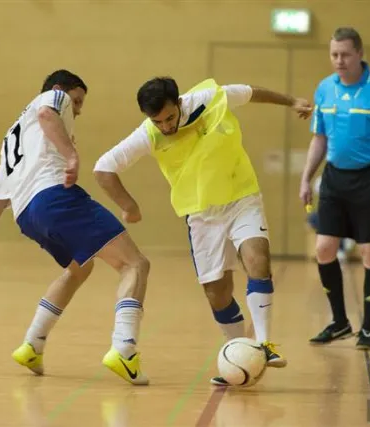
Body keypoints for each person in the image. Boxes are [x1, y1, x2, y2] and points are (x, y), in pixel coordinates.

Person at [93, 77, 312, 385]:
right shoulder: (149, 134)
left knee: (258, 260)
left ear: (179, 103)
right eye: (157, 121)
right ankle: (240, 351)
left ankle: (264, 343)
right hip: (201, 215)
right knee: (217, 294)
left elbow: (251, 93)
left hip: (241, 197)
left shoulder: (211, 99)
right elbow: (103, 168)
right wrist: (128, 205)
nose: (166, 126)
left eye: (169, 118)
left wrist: (292, 101)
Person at [0, 70, 151, 386]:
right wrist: (72, 156)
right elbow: (47, 113)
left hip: (27, 216)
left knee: (80, 269)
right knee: (135, 264)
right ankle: (124, 349)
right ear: (59, 89)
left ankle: (33, 344)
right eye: (77, 101)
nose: (78, 110)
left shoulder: (12, 140)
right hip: (54, 197)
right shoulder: (51, 98)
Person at [299, 27, 370, 350]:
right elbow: (319, 138)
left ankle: (367, 329)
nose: (339, 60)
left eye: (345, 54)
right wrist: (306, 177)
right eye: (334, 54)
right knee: (324, 248)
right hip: (335, 178)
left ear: (360, 54)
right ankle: (339, 322)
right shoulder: (325, 89)